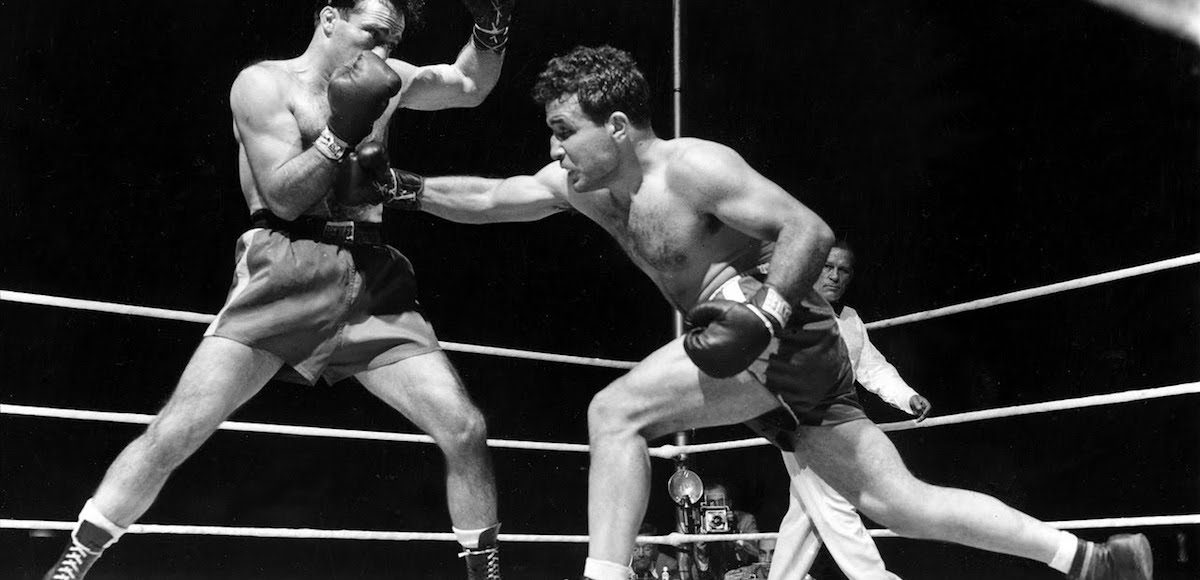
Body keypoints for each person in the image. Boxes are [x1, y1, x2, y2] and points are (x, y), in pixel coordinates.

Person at [408, 45, 1152, 580]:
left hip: (782, 331)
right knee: (900, 503)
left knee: (615, 414)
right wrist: (402, 189)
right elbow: (496, 198)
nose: (554, 145)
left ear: (621, 125)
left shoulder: (696, 168)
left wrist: (764, 314)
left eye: (565, 129)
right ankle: (1086, 558)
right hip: (768, 351)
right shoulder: (583, 185)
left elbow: (808, 230)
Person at [41, 1, 512, 579]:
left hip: (370, 273)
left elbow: (468, 85)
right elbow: (285, 197)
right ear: (329, 18)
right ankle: (73, 564)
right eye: (373, 33)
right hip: (286, 262)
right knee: (179, 427)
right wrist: (342, 130)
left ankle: (485, 572)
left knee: (464, 427)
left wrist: (492, 24)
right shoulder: (264, 84)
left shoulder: (389, 78)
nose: (383, 51)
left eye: (393, 40)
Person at [769, 239, 931, 580]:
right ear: (813, 270)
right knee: (836, 506)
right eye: (827, 267)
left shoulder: (852, 320)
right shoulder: (790, 310)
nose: (834, 276)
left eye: (843, 270)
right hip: (801, 422)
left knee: (805, 516)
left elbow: (873, 369)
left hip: (841, 425)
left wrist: (908, 397)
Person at [677, 483, 763, 580]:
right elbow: (700, 569)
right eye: (711, 502)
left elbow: (760, 552)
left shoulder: (745, 520)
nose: (716, 506)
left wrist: (736, 534)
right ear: (705, 505)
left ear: (729, 503)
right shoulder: (702, 526)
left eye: (721, 501)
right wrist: (701, 550)